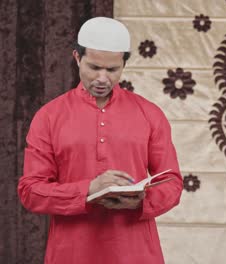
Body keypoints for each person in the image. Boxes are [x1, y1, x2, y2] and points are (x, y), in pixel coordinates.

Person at [17, 17, 183, 264]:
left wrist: (141, 201)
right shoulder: (49, 117)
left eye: (112, 70)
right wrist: (87, 190)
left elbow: (171, 183)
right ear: (77, 58)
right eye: (94, 67)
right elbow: (30, 191)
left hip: (136, 254)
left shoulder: (149, 114)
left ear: (124, 64)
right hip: (70, 254)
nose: (103, 78)